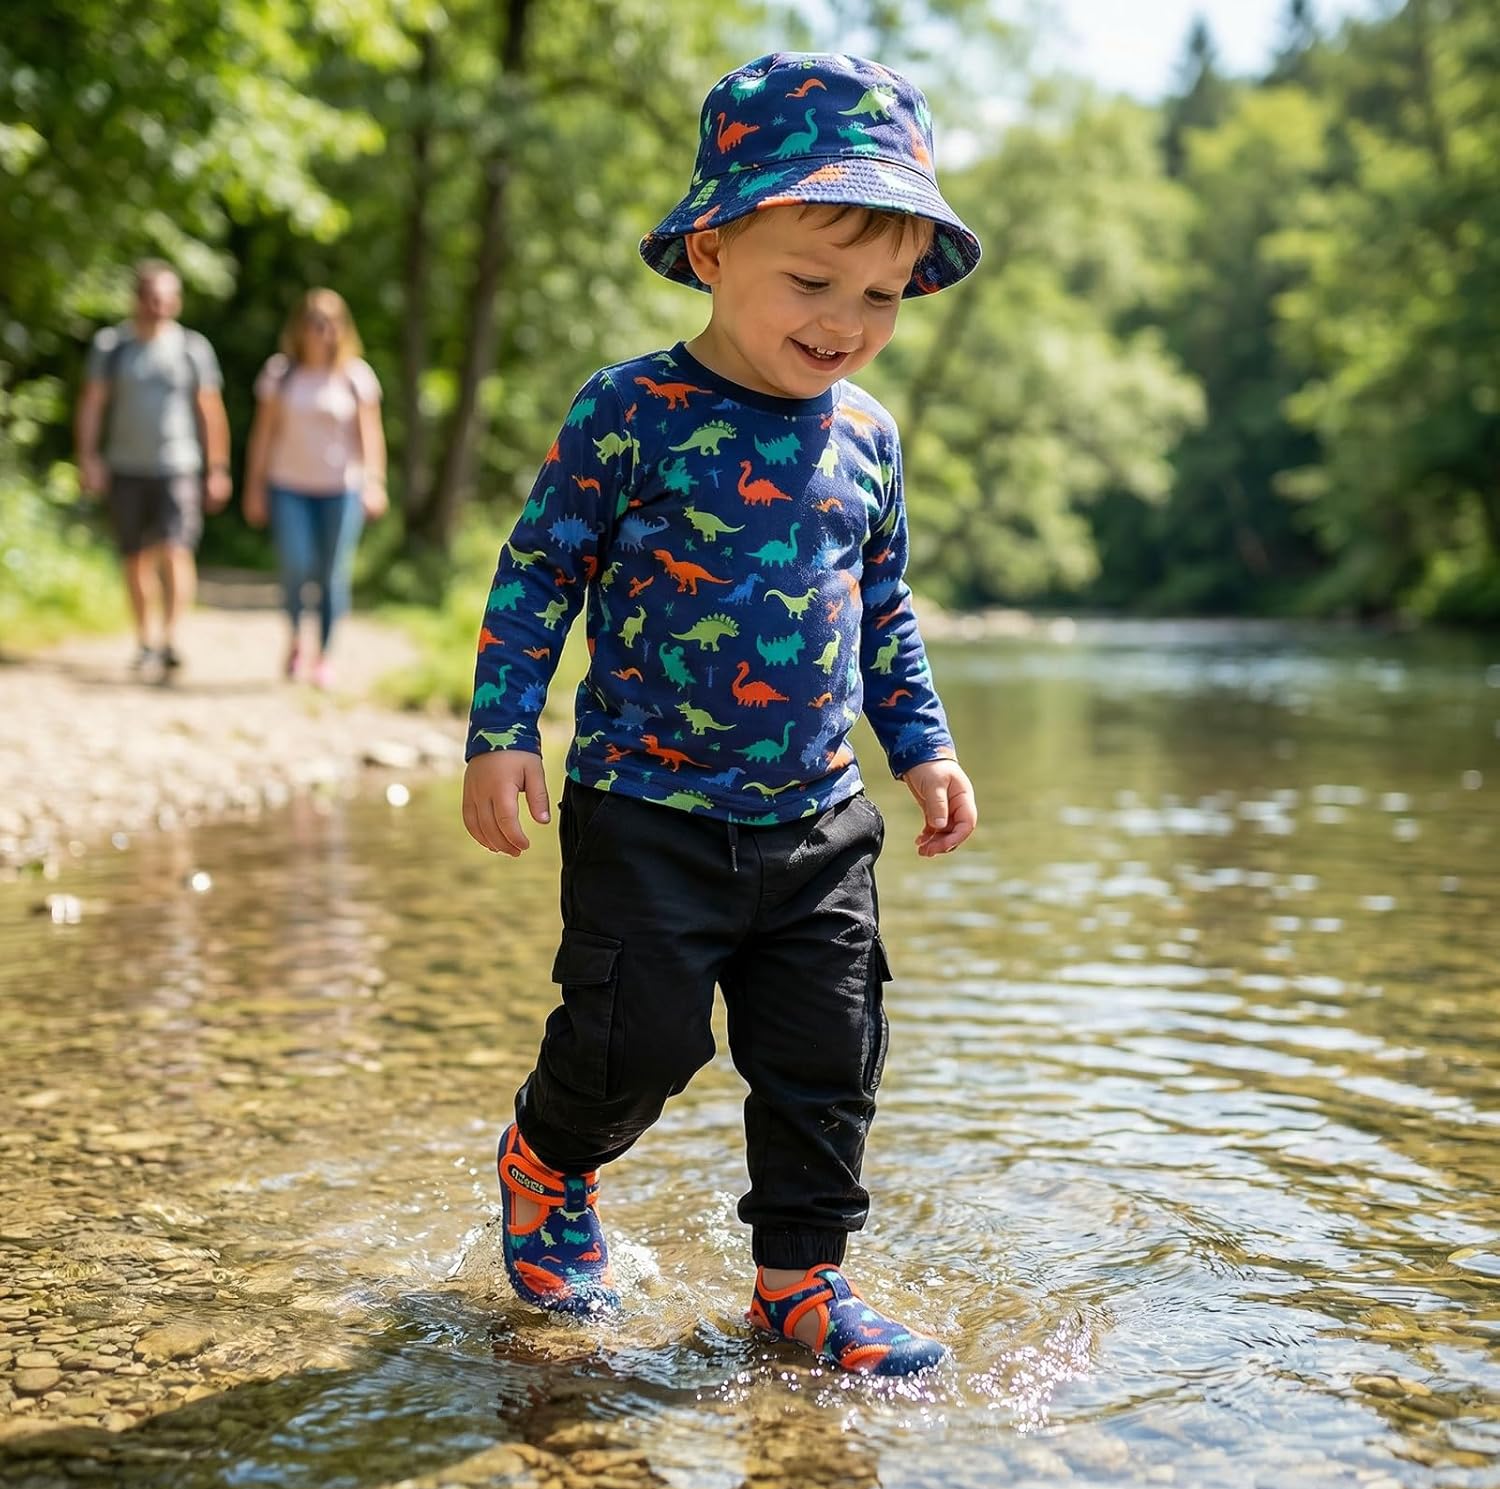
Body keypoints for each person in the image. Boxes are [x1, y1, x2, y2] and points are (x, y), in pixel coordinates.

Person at [461, 52, 980, 1377]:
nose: (847, 319)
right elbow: (539, 574)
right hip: (646, 805)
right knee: (636, 1040)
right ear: (712, 247)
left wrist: (923, 749)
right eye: (812, 281)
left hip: (818, 816)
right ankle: (549, 1160)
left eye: (882, 294)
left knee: (831, 1054)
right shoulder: (628, 412)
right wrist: (503, 729)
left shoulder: (866, 435)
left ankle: (800, 1285)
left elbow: (886, 613)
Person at [75, 260, 232, 677]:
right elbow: (93, 404)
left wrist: (217, 468)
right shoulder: (112, 347)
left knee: (177, 549)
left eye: (165, 298)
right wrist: (88, 458)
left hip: (179, 465)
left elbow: (210, 411)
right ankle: (145, 639)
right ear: (136, 299)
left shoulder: (192, 348)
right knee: (135, 557)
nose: (158, 306)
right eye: (150, 297)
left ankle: (171, 638)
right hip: (125, 465)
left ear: (176, 301)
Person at [242, 289, 387, 689]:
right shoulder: (280, 374)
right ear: (299, 327)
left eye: (329, 322)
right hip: (287, 486)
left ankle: (323, 656)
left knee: (331, 574)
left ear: (341, 328)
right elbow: (263, 436)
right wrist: (253, 488)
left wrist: (374, 483)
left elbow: (370, 437)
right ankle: (294, 639)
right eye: (313, 322)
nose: (321, 331)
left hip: (342, 490)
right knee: (295, 566)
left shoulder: (356, 376)